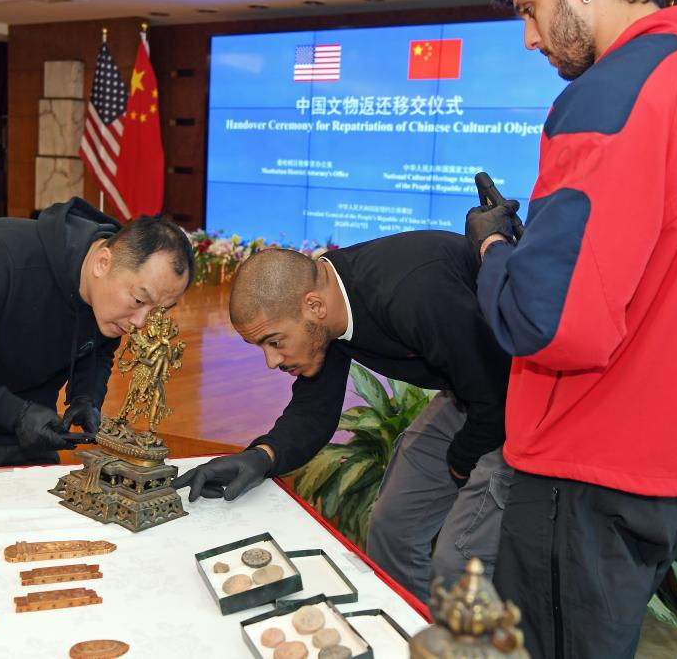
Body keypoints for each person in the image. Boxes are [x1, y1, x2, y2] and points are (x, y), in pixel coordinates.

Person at [464, 0, 677, 656]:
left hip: (588, 460)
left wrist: (492, 250)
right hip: (667, 458)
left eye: (529, 8)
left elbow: (546, 322)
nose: (529, 37)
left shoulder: (611, 94)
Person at [173, 233, 512, 602]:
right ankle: (414, 628)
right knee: (393, 530)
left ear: (314, 306)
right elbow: (315, 409)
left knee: (459, 564)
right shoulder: (326, 308)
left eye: (275, 341)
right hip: (473, 389)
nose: (271, 361)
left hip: (521, 396)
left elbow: (496, 392)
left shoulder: (413, 292)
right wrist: (261, 456)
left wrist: (460, 462)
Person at [0, 197, 194, 472]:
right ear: (103, 262)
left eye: (158, 311)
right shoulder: (0, 255)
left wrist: (86, 396)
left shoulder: (112, 301)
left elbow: (96, 349)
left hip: (28, 426)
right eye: (139, 300)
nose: (140, 322)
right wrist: (15, 414)